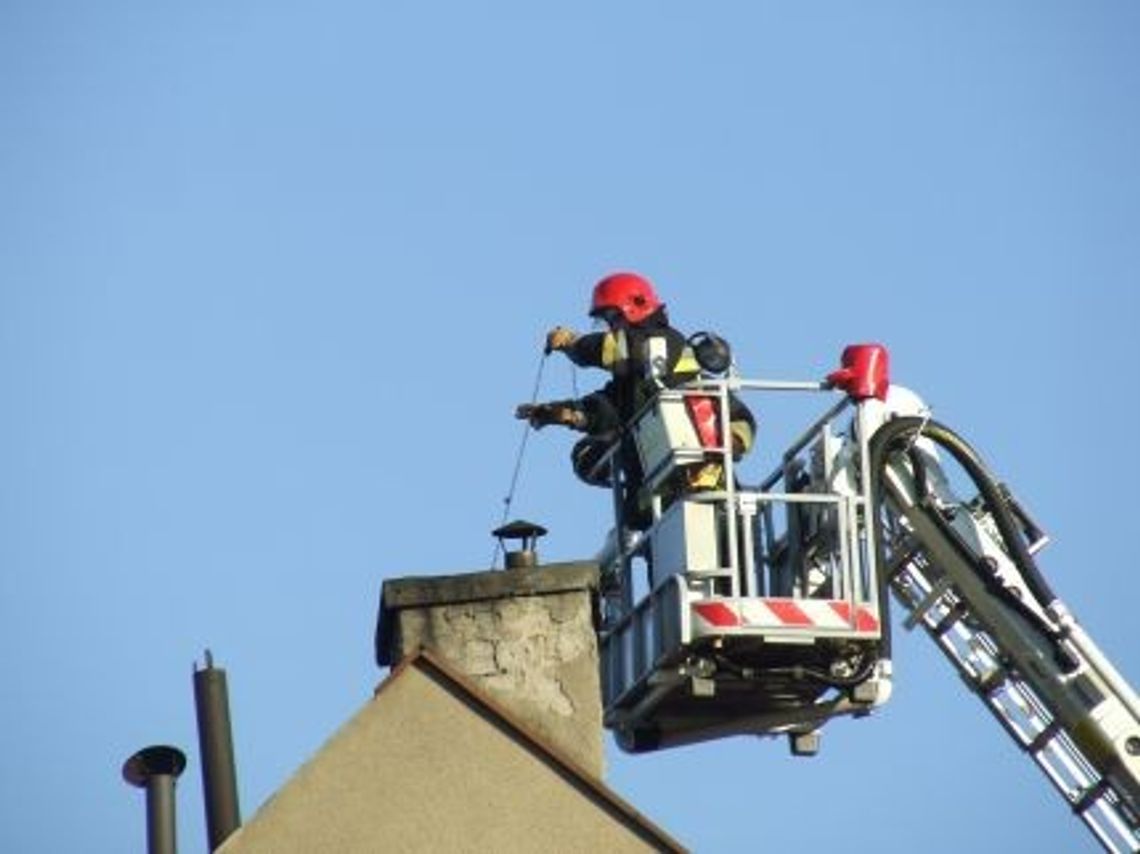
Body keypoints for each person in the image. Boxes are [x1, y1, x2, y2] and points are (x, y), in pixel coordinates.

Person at [517, 271, 755, 525]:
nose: (611, 327)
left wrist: (574, 344)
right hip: (656, 503)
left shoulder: (665, 342)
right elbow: (609, 407)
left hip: (709, 497)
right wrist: (563, 413)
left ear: (636, 307)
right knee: (588, 455)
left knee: (721, 552)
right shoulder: (636, 380)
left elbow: (616, 350)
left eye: (612, 317)